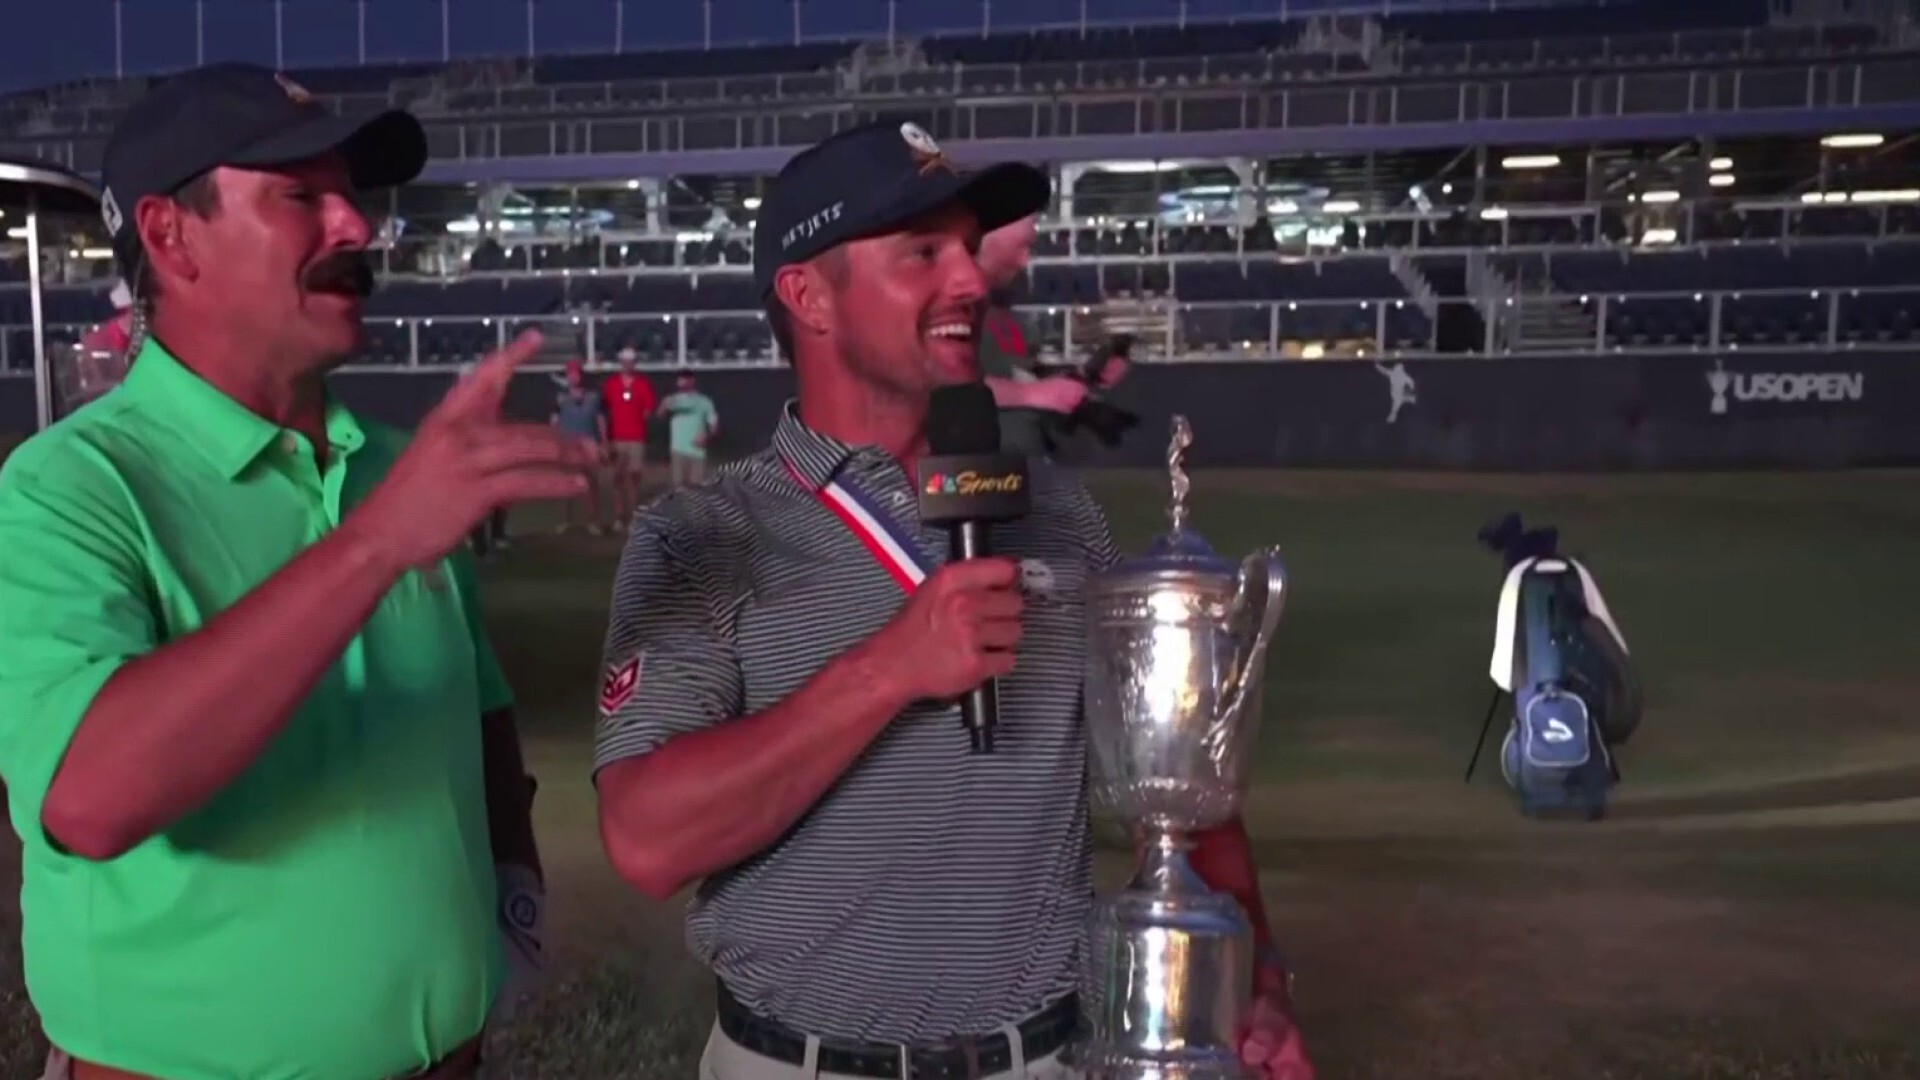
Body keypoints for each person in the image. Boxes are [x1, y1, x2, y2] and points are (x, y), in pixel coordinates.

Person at [590, 119, 1314, 1080]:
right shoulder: (700, 535)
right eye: (922, 252)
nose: (972, 282)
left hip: (1043, 1061)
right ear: (808, 294)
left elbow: (1178, 792)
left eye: (970, 249)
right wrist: (887, 669)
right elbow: (646, 839)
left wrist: (1253, 966)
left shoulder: (1061, 518)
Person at [0, 62, 599, 1080]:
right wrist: (371, 546)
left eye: (351, 194)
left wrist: (514, 888)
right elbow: (88, 798)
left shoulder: (393, 467)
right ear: (171, 234)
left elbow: (480, 712)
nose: (357, 228)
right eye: (300, 195)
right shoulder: (65, 488)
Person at [975, 213, 1129, 458]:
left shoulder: (1001, 314)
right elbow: (936, 389)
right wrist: (1032, 394)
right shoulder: (947, 310)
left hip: (1022, 461)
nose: (1025, 261)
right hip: (972, 471)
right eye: (1021, 246)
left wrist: (1082, 378)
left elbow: (1023, 376)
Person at [552, 358, 610, 532]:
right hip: (568, 444)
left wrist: (604, 443)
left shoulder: (594, 396)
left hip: (589, 444)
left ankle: (593, 522)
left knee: (591, 484)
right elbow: (554, 421)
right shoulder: (560, 398)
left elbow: (600, 420)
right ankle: (565, 521)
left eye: (575, 374)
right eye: (570, 374)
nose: (573, 377)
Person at [601, 346, 656, 527]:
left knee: (634, 477)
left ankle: (632, 514)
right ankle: (619, 515)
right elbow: (606, 410)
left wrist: (639, 418)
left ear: (634, 364)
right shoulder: (612, 384)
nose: (627, 365)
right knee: (618, 477)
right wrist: (607, 438)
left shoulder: (642, 384)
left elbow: (648, 409)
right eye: (624, 362)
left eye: (630, 362)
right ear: (620, 363)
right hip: (617, 437)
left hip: (636, 438)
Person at [656, 368, 718, 487]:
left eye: (684, 378)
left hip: (697, 452)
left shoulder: (704, 401)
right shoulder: (673, 400)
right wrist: (663, 405)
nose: (681, 381)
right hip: (678, 450)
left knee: (696, 491)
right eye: (679, 379)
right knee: (678, 489)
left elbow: (714, 426)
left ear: (692, 380)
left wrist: (707, 437)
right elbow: (660, 415)